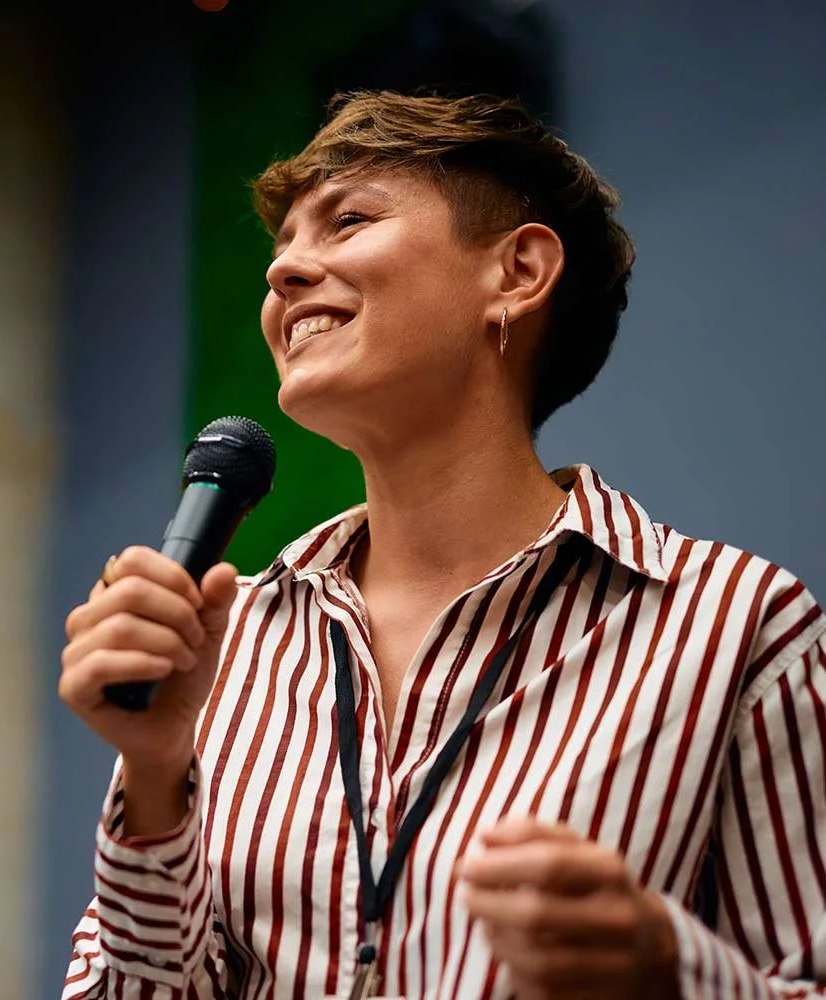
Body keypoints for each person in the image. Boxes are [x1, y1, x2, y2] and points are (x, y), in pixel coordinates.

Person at [58, 91, 826, 999]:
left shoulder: (737, 625)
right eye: (282, 247)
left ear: (519, 271)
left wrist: (668, 969)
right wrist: (153, 771)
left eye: (348, 221)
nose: (285, 272)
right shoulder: (227, 641)